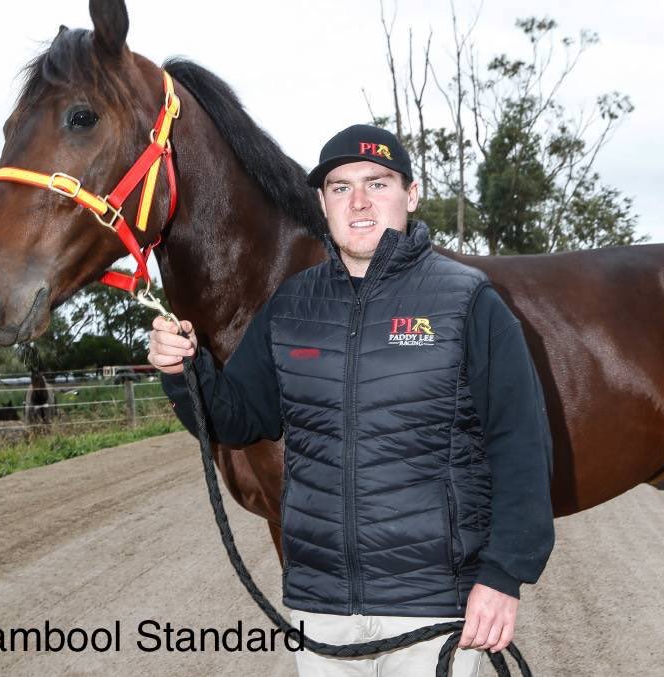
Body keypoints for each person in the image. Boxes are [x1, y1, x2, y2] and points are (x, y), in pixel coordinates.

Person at [151, 124, 554, 676]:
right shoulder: (292, 306)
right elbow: (238, 419)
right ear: (321, 202)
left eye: (377, 183)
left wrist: (502, 577)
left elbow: (522, 445)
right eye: (340, 188)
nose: (359, 201)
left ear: (410, 195)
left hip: (433, 610)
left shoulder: (467, 301)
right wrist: (185, 370)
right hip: (321, 609)